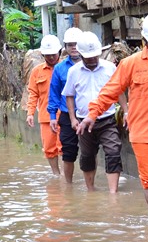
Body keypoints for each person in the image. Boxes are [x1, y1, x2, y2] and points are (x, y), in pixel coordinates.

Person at [78, 14, 148, 220]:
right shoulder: (131, 63)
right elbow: (110, 91)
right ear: (145, 41)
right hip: (144, 133)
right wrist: (92, 114)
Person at [62, 31, 122, 193]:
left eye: (94, 57)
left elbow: (119, 91)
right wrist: (73, 119)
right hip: (83, 121)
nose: (91, 60)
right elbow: (69, 95)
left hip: (107, 119)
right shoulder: (74, 71)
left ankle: (113, 192)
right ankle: (91, 189)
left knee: (113, 151)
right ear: (80, 55)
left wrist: (127, 111)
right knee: (87, 156)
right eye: (87, 58)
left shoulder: (110, 68)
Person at [48, 27, 84, 183]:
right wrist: (52, 116)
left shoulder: (94, 64)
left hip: (89, 113)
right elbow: (54, 93)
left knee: (90, 151)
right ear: (65, 48)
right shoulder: (60, 68)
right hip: (67, 116)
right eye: (70, 45)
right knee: (68, 151)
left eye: (76, 44)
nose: (74, 47)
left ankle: (91, 183)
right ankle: (68, 185)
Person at [26, 34, 63, 174]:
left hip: (65, 115)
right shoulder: (36, 72)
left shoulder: (66, 68)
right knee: (49, 148)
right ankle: (56, 175)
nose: (51, 57)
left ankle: (67, 177)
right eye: (48, 55)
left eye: (53, 54)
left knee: (64, 148)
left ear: (59, 52)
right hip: (46, 117)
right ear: (43, 54)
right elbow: (33, 94)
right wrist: (30, 113)